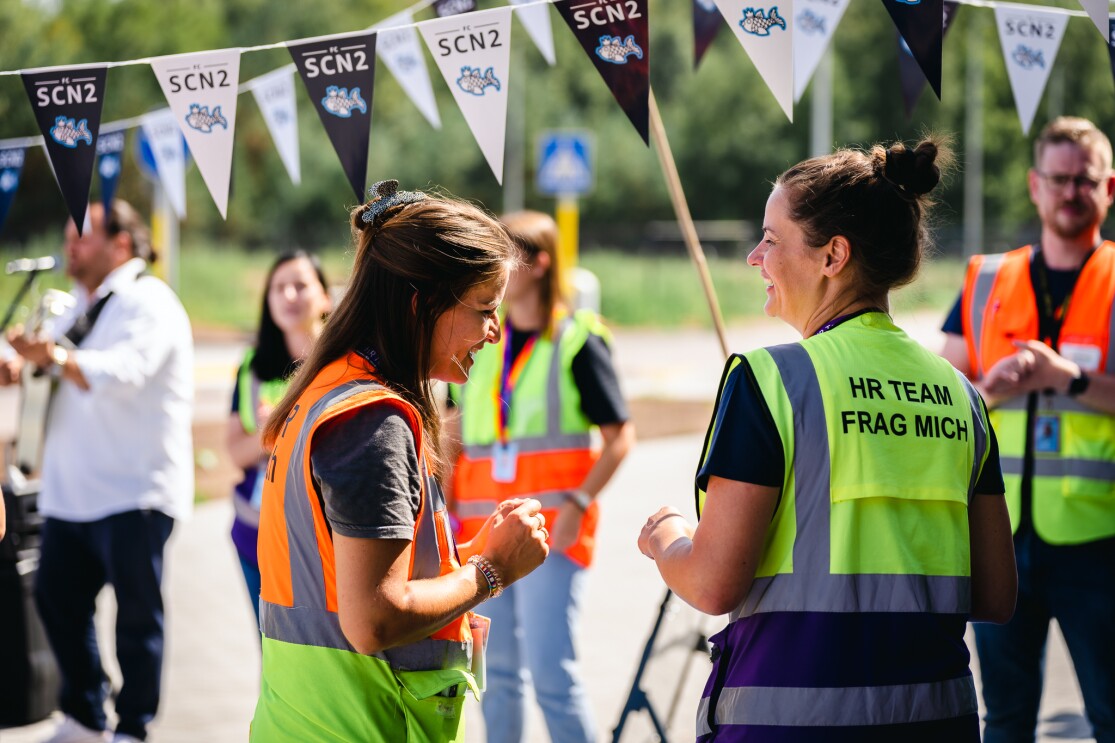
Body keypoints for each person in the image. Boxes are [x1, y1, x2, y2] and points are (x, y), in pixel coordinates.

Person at [638, 139, 1018, 741]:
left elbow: (712, 583)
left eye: (771, 237)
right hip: (936, 722)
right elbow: (997, 594)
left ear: (833, 255)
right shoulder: (961, 394)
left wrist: (665, 539)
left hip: (790, 724)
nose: (753, 257)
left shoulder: (770, 378)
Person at [249, 180, 549, 742]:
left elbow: (345, 577)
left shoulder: (329, 391)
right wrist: (492, 571)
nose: (493, 332)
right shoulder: (373, 421)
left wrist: (470, 556)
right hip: (361, 725)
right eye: (484, 308)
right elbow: (375, 619)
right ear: (421, 303)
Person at [939, 116, 1115, 743]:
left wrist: (1066, 378)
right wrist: (997, 390)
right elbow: (945, 403)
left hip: (1100, 539)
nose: (1071, 192)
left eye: (1084, 181)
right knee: (1005, 720)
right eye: (1059, 179)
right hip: (999, 534)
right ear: (1034, 186)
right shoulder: (987, 279)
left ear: (1109, 188)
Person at [0, 200, 193, 743]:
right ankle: (84, 716)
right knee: (56, 603)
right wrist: (20, 364)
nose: (70, 247)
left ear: (122, 244)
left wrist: (56, 359)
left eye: (81, 236)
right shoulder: (70, 306)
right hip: (69, 492)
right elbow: (51, 365)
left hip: (134, 490)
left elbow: (125, 372)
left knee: (137, 622)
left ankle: (134, 728)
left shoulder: (149, 301)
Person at [445, 210, 635, 743]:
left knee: (553, 675)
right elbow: (455, 428)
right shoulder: (483, 340)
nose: (496, 261)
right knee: (495, 677)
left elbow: (621, 436)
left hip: (552, 534)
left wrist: (577, 502)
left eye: (510, 251)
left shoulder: (577, 339)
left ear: (541, 263)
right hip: (481, 534)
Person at [225, 250, 330, 625]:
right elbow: (236, 451)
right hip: (256, 534)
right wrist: (271, 432)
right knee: (271, 649)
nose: (288, 296)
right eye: (278, 288)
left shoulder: (343, 361)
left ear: (325, 296)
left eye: (300, 285)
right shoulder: (253, 366)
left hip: (323, 537)